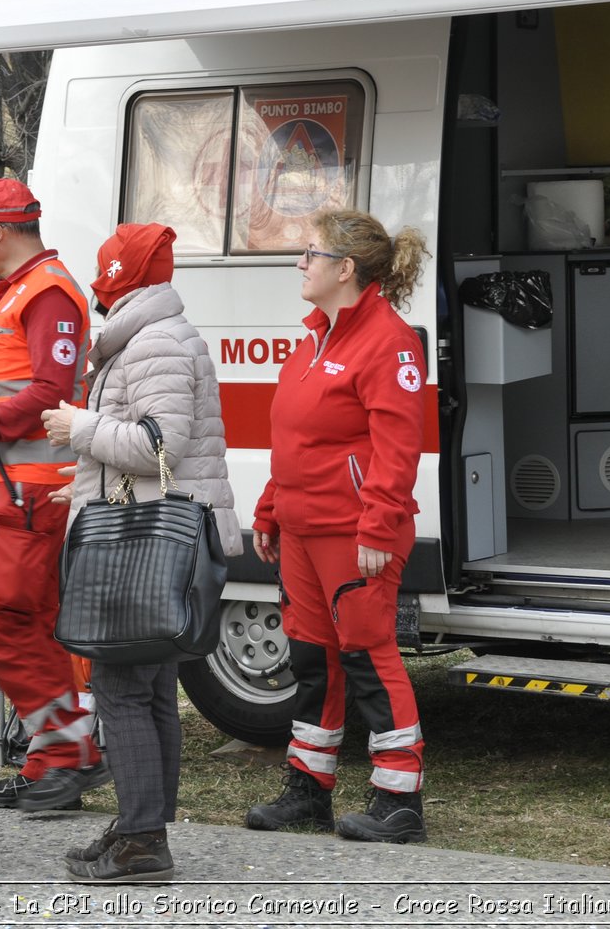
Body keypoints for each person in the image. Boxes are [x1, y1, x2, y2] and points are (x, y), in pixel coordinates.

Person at [41, 222, 242, 883]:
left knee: (123, 688)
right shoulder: (155, 334)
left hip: (143, 547)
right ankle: (138, 824)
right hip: (155, 542)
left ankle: (143, 840)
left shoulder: (151, 339)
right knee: (151, 690)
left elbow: (163, 444)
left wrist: (81, 427)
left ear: (117, 278)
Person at [245, 209, 431, 844]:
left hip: (355, 534)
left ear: (345, 269)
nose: (300, 263)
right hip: (302, 530)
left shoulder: (388, 341)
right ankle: (309, 788)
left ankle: (398, 798)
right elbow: (294, 439)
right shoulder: (314, 337)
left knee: (369, 659)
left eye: (310, 253)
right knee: (312, 660)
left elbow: (397, 448)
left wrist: (379, 528)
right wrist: (271, 508)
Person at [0, 177, 109, 811]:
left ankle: (66, 750)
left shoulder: (46, 292)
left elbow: (48, 393)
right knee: (33, 622)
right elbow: (3, 387)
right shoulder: (15, 291)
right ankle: (57, 758)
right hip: (13, 483)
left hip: (33, 488)